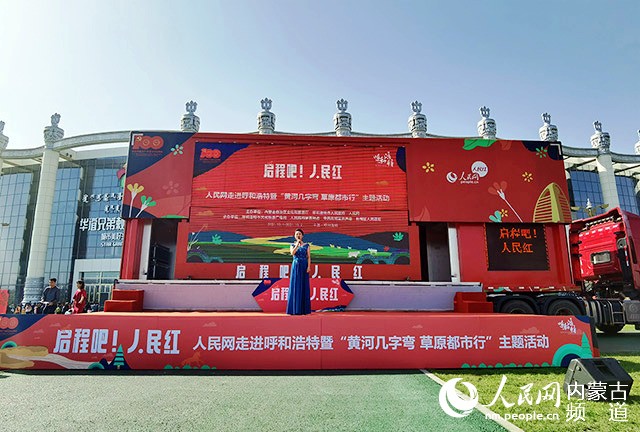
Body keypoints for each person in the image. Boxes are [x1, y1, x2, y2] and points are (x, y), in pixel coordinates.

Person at [286, 228, 312, 315]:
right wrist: (297, 245)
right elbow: (292, 253)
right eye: (297, 234)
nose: (298, 235)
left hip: (304, 266)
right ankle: (294, 309)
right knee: (295, 285)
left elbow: (309, 257)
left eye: (299, 234)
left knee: (304, 285)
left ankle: (304, 309)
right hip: (296, 266)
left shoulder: (306, 245)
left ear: (302, 236)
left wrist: (308, 266)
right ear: (294, 236)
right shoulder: (292, 245)